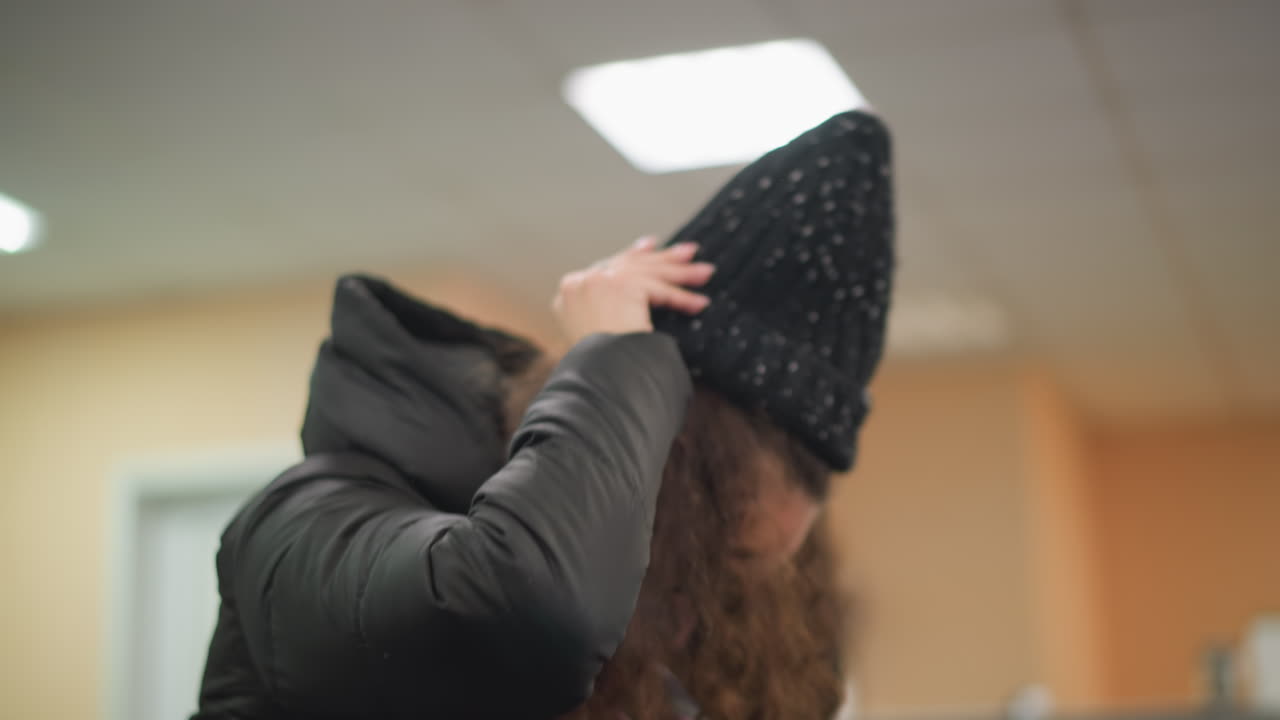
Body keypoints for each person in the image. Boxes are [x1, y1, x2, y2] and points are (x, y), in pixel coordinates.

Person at [192, 109, 893, 720]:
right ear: (666, 461)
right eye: (725, 555)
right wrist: (618, 354)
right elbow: (528, 614)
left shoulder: (659, 620)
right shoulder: (312, 516)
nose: (705, 601)